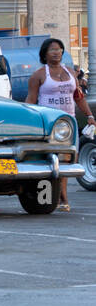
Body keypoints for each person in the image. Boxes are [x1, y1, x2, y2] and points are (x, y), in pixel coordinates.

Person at [25, 38, 95, 210]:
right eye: (52, 50)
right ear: (44, 54)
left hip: (68, 125)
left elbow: (78, 97)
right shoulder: (39, 75)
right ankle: (59, 198)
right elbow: (31, 101)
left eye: (59, 49)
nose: (57, 52)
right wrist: (28, 123)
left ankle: (62, 197)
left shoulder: (71, 73)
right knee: (51, 161)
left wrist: (90, 116)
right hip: (48, 125)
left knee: (67, 161)